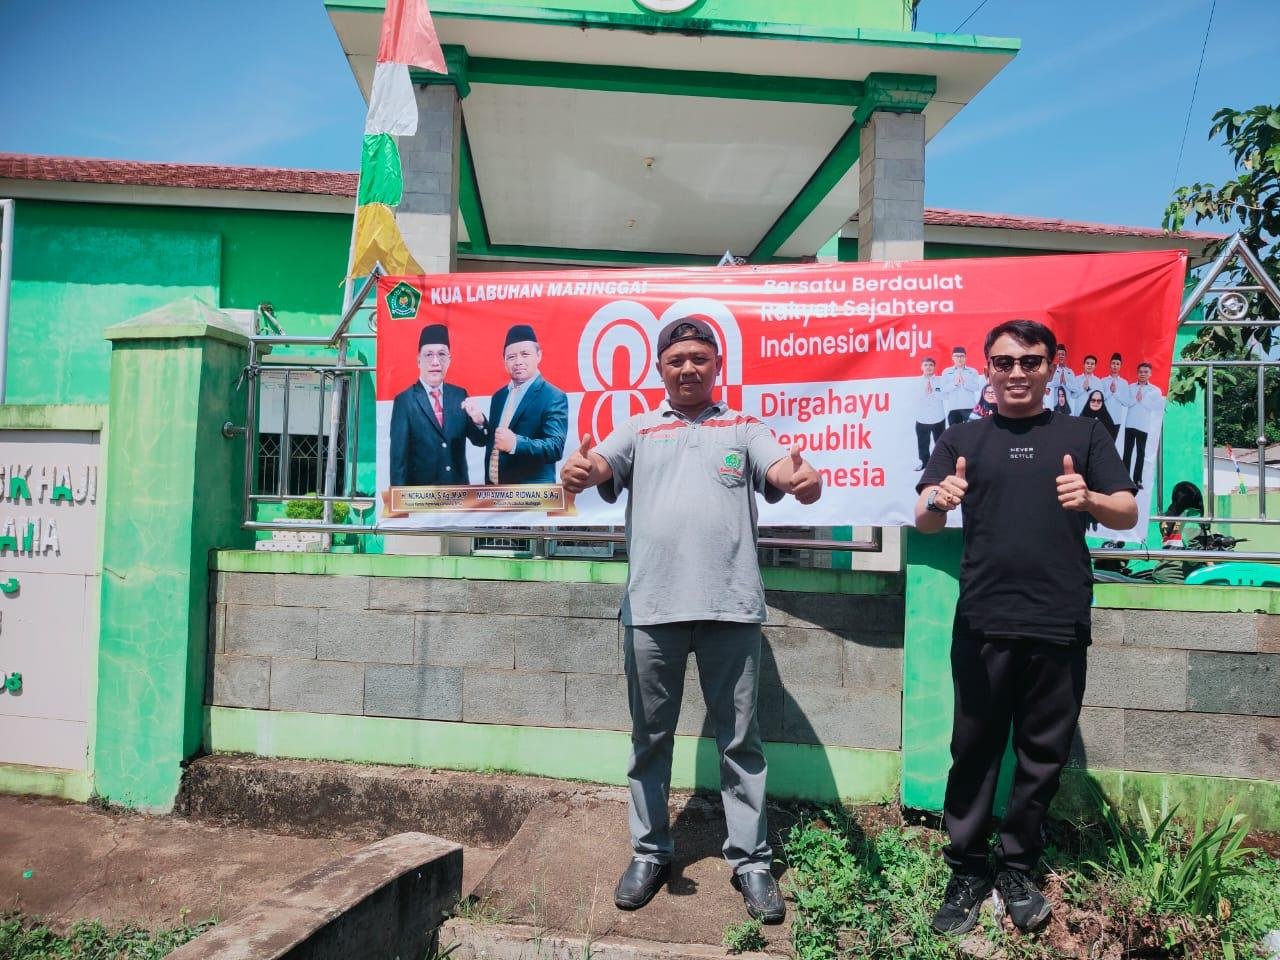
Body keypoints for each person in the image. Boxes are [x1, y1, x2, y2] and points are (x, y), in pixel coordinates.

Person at [560, 317, 822, 924]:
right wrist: (580, 473)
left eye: (699, 359)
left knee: (740, 742)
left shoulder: (744, 427)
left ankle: (751, 862)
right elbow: (598, 467)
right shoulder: (639, 428)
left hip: (731, 608)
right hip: (653, 610)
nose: (687, 369)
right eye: (676, 359)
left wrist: (802, 482)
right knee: (650, 738)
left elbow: (783, 472)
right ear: (660, 367)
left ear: (717, 366)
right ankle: (650, 852)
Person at [914, 319, 1137, 937]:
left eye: (1030, 361)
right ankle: (966, 868)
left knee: (1042, 754)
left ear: (1050, 366)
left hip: (1058, 619)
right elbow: (924, 516)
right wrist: (938, 500)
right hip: (983, 618)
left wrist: (1090, 499)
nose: (1017, 372)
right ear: (988, 368)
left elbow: (1126, 510)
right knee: (974, 748)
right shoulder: (962, 437)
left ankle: (1017, 868)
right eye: (1005, 361)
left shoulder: (1083, 433)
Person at [389, 324, 486, 486]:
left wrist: (478, 421)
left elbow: (481, 440)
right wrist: (398, 498)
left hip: (458, 495)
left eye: (441, 354)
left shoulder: (459, 395)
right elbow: (398, 461)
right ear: (418, 360)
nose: (435, 362)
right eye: (429, 355)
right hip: (422, 497)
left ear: (449, 360)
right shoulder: (405, 401)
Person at [476, 324, 569, 484]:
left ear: (538, 356)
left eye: (525, 354)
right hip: (495, 492)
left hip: (532, 494)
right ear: (504, 361)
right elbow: (494, 441)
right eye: (511, 357)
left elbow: (555, 447)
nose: (518, 361)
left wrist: (515, 444)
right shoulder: (499, 396)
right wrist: (480, 423)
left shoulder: (553, 396)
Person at [1121, 362, 1164, 489]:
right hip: (1130, 423)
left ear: (1150, 374)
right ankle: (1124, 478)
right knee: (1127, 452)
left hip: (1143, 425)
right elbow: (1126, 402)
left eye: (1146, 372)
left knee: (1140, 453)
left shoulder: (1155, 390)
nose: (1143, 374)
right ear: (1137, 373)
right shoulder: (1130, 387)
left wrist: (1143, 399)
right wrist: (1136, 399)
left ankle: (1137, 479)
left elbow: (1157, 406)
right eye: (1140, 372)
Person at [914, 357, 946, 471]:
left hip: (938, 417)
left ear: (934, 367)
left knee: (940, 443)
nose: (928, 367)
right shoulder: (916, 382)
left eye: (931, 365)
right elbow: (914, 398)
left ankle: (940, 464)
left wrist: (934, 393)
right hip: (922, 418)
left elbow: (944, 396)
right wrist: (925, 393)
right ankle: (924, 463)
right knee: (923, 443)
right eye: (926, 365)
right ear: (921, 367)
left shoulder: (940, 381)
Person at [942, 346, 982, 426]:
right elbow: (943, 389)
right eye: (957, 356)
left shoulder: (972, 371)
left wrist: (964, 383)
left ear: (966, 358)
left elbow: (976, 387)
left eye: (962, 356)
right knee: (955, 433)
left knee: (971, 431)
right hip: (954, 409)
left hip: (969, 407)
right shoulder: (946, 372)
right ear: (952, 358)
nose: (959, 358)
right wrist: (955, 384)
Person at [1101, 352, 1129, 437]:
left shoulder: (1124, 383)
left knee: (1112, 443)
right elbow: (1100, 399)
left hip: (1116, 420)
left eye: (1117, 364)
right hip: (1103, 418)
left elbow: (1126, 403)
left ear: (1120, 366)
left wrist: (1115, 393)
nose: (1115, 366)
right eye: (1113, 363)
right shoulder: (1103, 381)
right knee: (1101, 443)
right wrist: (1110, 392)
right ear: (1110, 364)